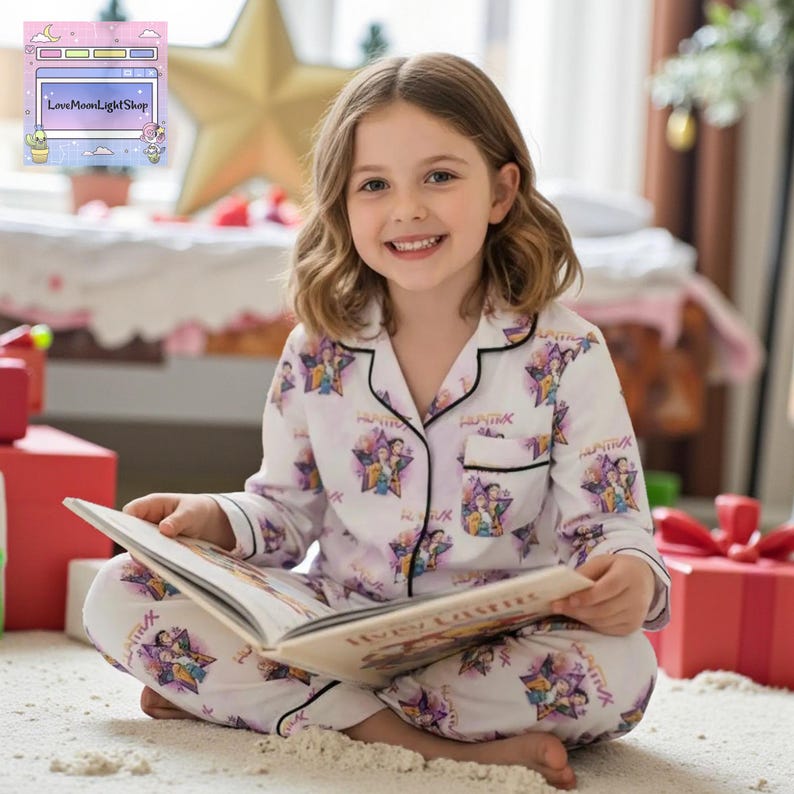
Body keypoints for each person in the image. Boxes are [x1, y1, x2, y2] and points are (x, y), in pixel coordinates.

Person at [83, 52, 670, 790]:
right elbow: (283, 509)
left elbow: (611, 528)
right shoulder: (318, 349)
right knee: (118, 591)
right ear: (342, 205)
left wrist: (631, 584)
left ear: (501, 189)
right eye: (374, 186)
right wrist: (216, 520)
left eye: (440, 176)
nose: (408, 209)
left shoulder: (566, 353)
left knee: (625, 670)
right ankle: (418, 743)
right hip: (335, 623)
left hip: (492, 643)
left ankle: (266, 702)